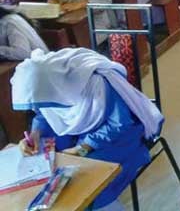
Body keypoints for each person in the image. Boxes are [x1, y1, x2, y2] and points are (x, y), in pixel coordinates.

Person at [14, 48, 164, 209]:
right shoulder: (51, 85)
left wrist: (82, 148)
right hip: (80, 131)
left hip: (119, 136)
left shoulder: (96, 84)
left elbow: (119, 125)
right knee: (47, 167)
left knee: (86, 179)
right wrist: (36, 134)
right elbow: (45, 113)